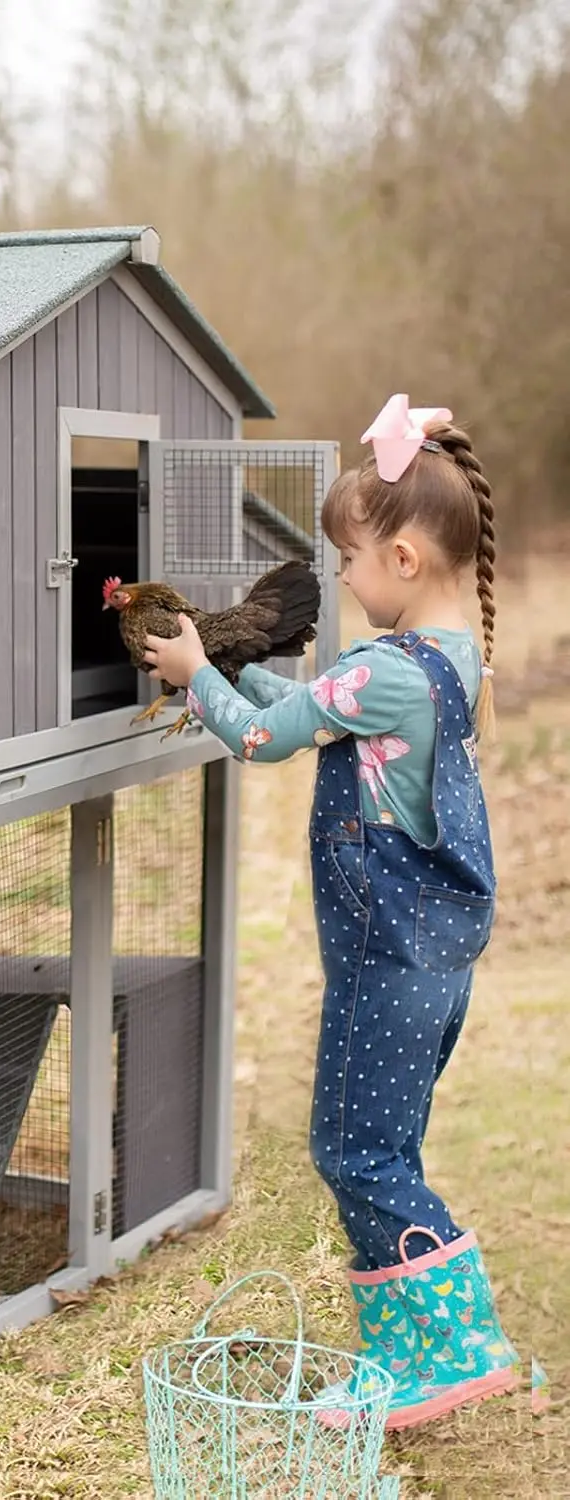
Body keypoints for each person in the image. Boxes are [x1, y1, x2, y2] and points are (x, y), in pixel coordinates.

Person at [144, 395, 519, 1430]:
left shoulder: (383, 670)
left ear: (402, 559)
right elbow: (313, 705)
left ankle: (453, 1352)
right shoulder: (451, 659)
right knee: (375, 1149)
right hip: (432, 962)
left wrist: (191, 676)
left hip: (385, 958)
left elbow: (268, 740)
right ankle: (413, 1359)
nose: (341, 578)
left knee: (356, 1154)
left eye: (348, 560)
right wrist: (236, 671)